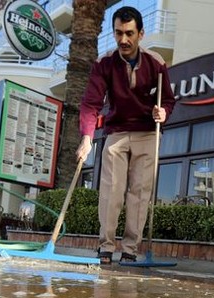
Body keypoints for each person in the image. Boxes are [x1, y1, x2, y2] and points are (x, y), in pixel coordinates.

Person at [75, 6, 176, 265]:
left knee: (140, 193)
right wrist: (87, 137)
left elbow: (169, 101)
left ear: (141, 34)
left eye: (129, 33)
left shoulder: (156, 63)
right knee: (111, 190)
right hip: (116, 132)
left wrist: (162, 112)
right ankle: (106, 247)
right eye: (118, 33)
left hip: (147, 133)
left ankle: (130, 249)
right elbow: (90, 103)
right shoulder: (104, 63)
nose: (123, 40)